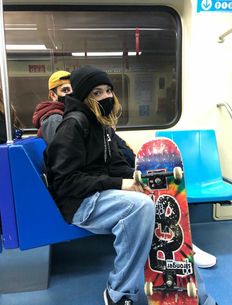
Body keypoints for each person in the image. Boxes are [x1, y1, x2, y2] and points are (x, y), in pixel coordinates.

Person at [44, 65, 217, 305]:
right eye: (96, 93)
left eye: (108, 91)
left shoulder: (101, 124)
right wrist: (120, 184)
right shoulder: (73, 125)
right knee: (139, 207)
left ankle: (197, 294)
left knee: (164, 202)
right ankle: (119, 291)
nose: (105, 97)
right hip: (80, 203)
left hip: (100, 194)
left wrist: (143, 179)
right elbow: (65, 182)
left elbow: (116, 165)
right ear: (83, 95)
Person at [32, 70, 72, 144]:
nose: (71, 94)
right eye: (65, 90)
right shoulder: (55, 119)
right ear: (53, 95)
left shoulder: (67, 114)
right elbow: (62, 151)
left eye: (74, 90)